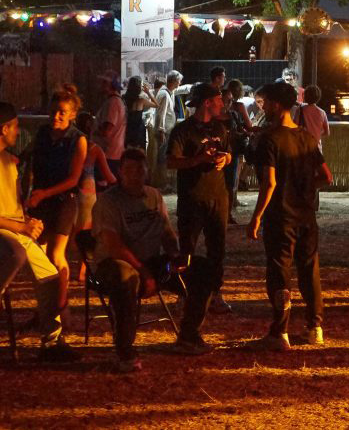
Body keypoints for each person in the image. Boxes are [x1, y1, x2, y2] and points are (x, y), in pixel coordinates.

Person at [93, 148, 216, 371]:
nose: (135, 175)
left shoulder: (154, 196)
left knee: (204, 269)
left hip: (151, 261)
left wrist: (175, 256)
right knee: (125, 277)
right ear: (120, 172)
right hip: (116, 264)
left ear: (147, 172)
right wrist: (143, 271)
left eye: (140, 170)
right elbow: (114, 245)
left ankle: (189, 335)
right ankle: (124, 350)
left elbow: (166, 232)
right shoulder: (108, 201)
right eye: (129, 170)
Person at [246, 82, 332, 350]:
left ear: (276, 104)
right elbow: (326, 177)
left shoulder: (270, 139)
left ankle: (280, 331)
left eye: (265, 102)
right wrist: (305, 189)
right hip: (306, 215)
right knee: (309, 270)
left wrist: (256, 216)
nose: (263, 107)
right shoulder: (306, 137)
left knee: (279, 271)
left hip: (280, 216)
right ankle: (315, 328)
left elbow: (269, 183)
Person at [0, 101, 80, 363]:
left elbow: (13, 204)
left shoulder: (9, 161)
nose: (18, 132)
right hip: (5, 231)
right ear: (4, 129)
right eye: (14, 127)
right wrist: (21, 225)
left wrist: (27, 220)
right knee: (15, 254)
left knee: (51, 276)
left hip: (17, 228)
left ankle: (51, 341)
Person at [166, 82, 233, 314]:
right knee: (187, 249)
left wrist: (225, 159)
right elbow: (171, 161)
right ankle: (184, 294)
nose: (222, 103)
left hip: (218, 197)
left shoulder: (220, 128)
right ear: (207, 102)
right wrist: (198, 160)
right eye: (219, 99)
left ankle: (215, 293)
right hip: (192, 199)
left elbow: (229, 153)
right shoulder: (182, 130)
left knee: (217, 249)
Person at [26, 85, 87, 320]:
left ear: (72, 114)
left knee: (55, 255)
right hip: (40, 201)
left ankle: (60, 310)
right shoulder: (42, 134)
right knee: (37, 257)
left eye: (62, 112)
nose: (56, 116)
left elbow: (73, 179)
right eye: (53, 112)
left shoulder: (78, 140)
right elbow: (28, 161)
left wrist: (44, 193)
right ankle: (45, 308)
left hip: (63, 202)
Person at [73, 111, 117, 282]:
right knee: (86, 232)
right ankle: (82, 270)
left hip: (70, 191)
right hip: (87, 192)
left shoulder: (69, 146)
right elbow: (109, 176)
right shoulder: (94, 149)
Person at [223, 82, 253, 223]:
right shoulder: (238, 108)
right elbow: (248, 126)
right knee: (230, 181)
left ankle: (227, 211)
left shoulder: (230, 112)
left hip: (228, 151)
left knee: (228, 181)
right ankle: (228, 210)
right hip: (232, 150)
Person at [94, 72, 127, 178]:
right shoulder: (114, 101)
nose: (101, 85)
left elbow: (107, 130)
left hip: (108, 154)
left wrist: (92, 128)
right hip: (111, 153)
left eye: (104, 82)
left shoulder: (113, 103)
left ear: (111, 85)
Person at [154, 70, 183, 191]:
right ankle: (162, 184)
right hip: (164, 131)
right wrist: (161, 131)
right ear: (174, 81)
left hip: (167, 130)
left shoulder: (169, 92)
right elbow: (161, 114)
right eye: (179, 81)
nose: (180, 83)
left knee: (164, 156)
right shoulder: (165, 95)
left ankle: (164, 183)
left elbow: (182, 89)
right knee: (162, 157)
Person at [123, 76, 158, 151]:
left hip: (127, 127)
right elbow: (156, 105)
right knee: (140, 152)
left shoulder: (124, 99)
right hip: (139, 128)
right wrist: (148, 92)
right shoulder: (141, 100)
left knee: (128, 151)